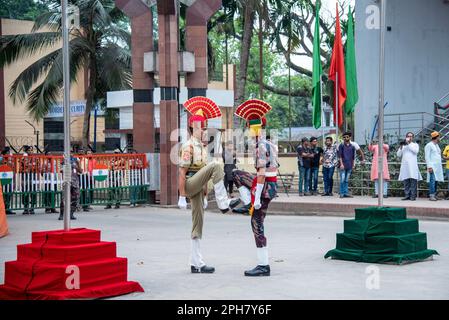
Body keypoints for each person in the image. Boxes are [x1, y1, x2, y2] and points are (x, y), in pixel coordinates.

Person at [178, 97, 240, 274]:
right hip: (189, 183)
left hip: (198, 186)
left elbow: (204, 176)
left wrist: (205, 196)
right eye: (200, 127)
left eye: (204, 127)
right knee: (216, 165)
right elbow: (182, 172)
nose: (204, 131)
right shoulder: (188, 146)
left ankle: (196, 263)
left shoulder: (203, 148)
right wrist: (182, 196)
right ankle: (223, 203)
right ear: (193, 128)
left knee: (198, 223)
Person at [232, 99, 278, 277]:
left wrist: (256, 199)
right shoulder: (268, 142)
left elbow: (261, 174)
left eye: (250, 127)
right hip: (268, 185)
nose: (249, 131)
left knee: (257, 223)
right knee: (236, 174)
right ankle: (245, 203)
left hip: (265, 186)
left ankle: (263, 265)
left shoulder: (260, 146)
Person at [397, 132, 422, 201]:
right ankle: (407, 195)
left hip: (412, 166)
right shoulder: (403, 146)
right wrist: (401, 147)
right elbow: (398, 154)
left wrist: (408, 144)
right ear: (406, 137)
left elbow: (415, 151)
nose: (409, 137)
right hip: (405, 167)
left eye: (411, 136)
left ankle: (413, 196)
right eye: (408, 136)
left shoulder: (415, 145)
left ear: (413, 137)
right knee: (406, 182)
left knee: (413, 182)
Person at [58, 155, 81, 220]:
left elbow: (80, 171)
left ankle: (71, 214)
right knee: (64, 199)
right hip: (67, 182)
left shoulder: (76, 160)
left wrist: (78, 164)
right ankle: (61, 214)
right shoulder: (63, 161)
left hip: (75, 183)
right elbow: (61, 171)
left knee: (75, 198)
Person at [425, 132, 444, 201]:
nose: (439, 138)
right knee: (432, 181)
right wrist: (429, 166)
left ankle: (435, 195)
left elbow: (438, 155)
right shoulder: (429, 145)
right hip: (432, 166)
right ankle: (431, 195)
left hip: (437, 167)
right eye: (439, 137)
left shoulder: (436, 145)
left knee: (436, 181)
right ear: (436, 137)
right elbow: (427, 157)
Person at [337, 132, 356, 198]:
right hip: (343, 165)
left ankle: (346, 193)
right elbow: (340, 156)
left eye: (347, 137)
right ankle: (342, 193)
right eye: (344, 137)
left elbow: (353, 157)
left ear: (350, 137)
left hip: (349, 165)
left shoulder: (352, 147)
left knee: (346, 180)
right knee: (342, 180)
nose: (346, 138)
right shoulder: (341, 146)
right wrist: (341, 164)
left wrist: (353, 165)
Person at [21, 145, 37, 214]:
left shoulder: (34, 158)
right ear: (26, 151)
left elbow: (36, 167)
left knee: (33, 192)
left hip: (33, 177)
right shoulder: (23, 158)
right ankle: (25, 208)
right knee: (25, 193)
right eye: (29, 150)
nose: (30, 151)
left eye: (31, 150)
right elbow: (22, 167)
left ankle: (32, 207)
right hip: (25, 177)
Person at [0, 147, 14, 215]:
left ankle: (7, 208)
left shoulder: (10, 159)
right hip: (3, 178)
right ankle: (3, 209)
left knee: (9, 193)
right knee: (3, 193)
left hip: (9, 177)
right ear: (6, 152)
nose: (10, 153)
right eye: (8, 152)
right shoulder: (1, 158)